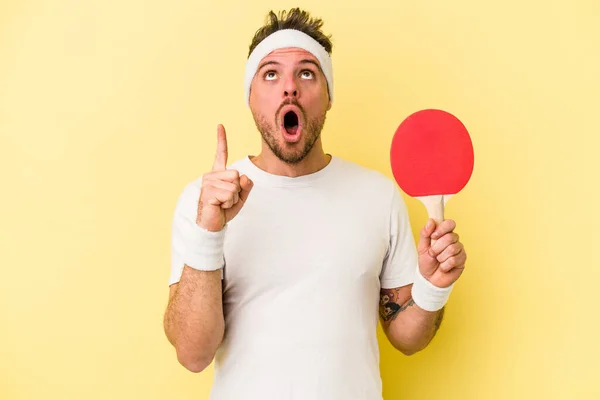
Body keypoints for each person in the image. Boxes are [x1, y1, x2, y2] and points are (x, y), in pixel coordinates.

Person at [163, 8, 467, 399]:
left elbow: (407, 338)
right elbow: (192, 353)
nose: (289, 87)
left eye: (306, 72)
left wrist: (433, 287)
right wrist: (209, 232)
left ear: (327, 97)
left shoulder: (378, 196)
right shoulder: (203, 201)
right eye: (270, 74)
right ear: (251, 98)